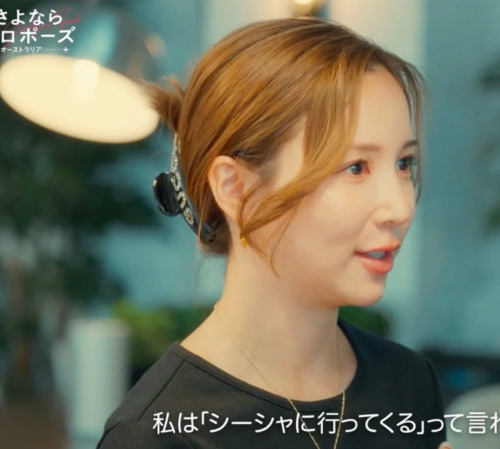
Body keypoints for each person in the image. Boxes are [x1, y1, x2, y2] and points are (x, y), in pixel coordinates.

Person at [97, 16, 451, 449]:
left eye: (403, 164)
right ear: (236, 189)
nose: (400, 207)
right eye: (356, 167)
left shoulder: (410, 383)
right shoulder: (155, 435)